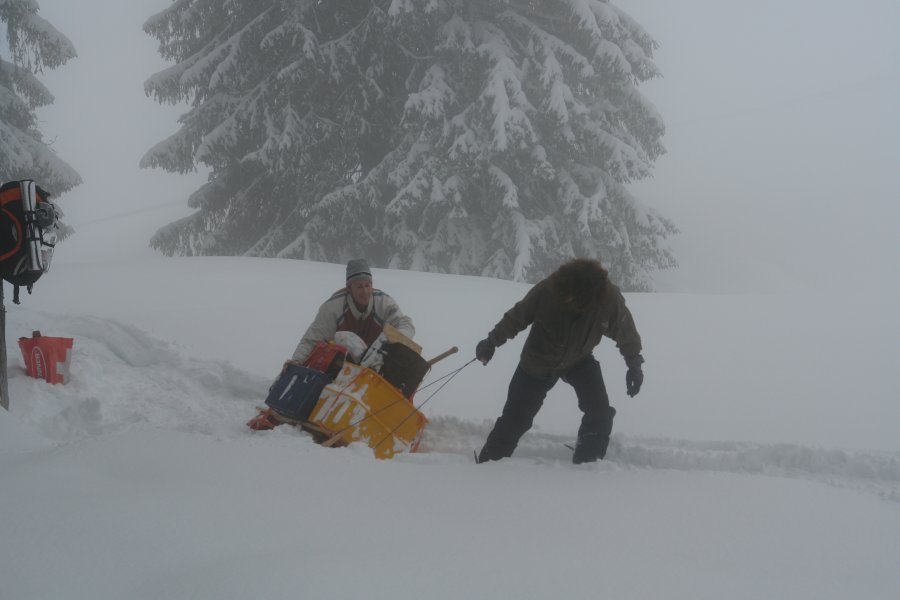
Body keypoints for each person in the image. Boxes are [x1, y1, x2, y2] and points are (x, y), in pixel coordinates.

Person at [474, 258, 644, 464]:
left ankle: (588, 463)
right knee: (515, 419)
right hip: (538, 361)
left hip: (579, 358)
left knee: (599, 412)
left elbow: (625, 331)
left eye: (575, 301)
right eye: (567, 299)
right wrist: (491, 342)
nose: (569, 302)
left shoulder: (608, 300)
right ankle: (488, 465)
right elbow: (517, 317)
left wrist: (634, 364)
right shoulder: (548, 290)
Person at [289, 258, 415, 365]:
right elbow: (312, 339)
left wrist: (394, 339)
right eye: (359, 286)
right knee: (342, 337)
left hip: (378, 365)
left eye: (367, 285)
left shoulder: (384, 303)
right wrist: (297, 361)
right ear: (349, 288)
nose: (365, 291)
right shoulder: (333, 307)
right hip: (340, 367)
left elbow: (405, 324)